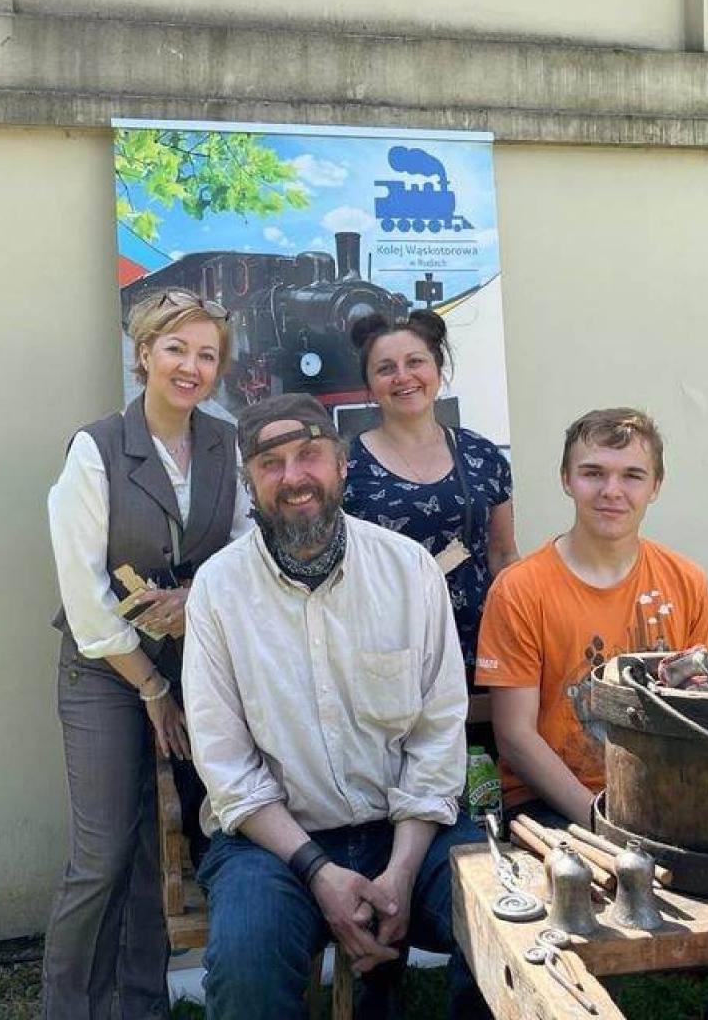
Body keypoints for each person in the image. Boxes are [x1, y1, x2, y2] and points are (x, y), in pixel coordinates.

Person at [183, 394, 490, 1020]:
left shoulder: (408, 572)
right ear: (250, 483)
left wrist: (400, 874)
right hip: (272, 846)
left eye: (309, 455)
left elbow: (436, 736)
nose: (294, 477)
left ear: (342, 463)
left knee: (500, 927)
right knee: (246, 968)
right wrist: (321, 873)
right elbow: (227, 768)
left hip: (410, 835)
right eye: (271, 464)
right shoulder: (219, 590)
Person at [40, 289, 252, 1020]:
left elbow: (246, 550)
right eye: (176, 350)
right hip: (106, 671)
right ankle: (70, 1009)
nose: (190, 367)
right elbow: (86, 597)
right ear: (143, 356)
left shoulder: (227, 443)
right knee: (102, 858)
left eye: (206, 355)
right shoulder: (96, 449)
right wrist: (151, 691)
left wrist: (197, 595)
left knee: (169, 849)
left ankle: (140, 1005)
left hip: (197, 666)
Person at [476, 407, 708, 829]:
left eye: (632, 475)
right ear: (566, 480)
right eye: (593, 473)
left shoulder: (687, 580)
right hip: (553, 807)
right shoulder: (520, 589)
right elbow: (516, 738)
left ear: (656, 486)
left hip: (666, 797)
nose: (612, 490)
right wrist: (602, 822)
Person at [344, 310, 517, 686]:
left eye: (415, 362)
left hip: (479, 648)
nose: (403, 377)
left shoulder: (482, 455)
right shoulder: (346, 466)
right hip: (389, 657)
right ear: (371, 385)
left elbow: (503, 554)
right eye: (386, 368)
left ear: (437, 370)